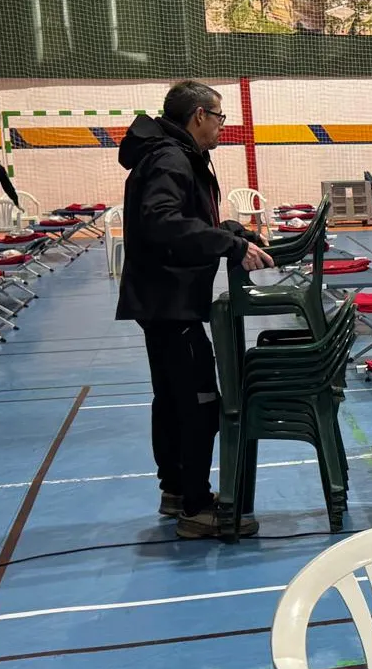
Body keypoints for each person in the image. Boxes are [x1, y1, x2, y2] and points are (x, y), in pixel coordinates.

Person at [116, 80, 274, 540]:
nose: (223, 126)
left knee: (172, 400)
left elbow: (183, 219)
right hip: (170, 302)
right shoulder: (171, 157)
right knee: (198, 404)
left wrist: (230, 231)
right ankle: (196, 506)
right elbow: (162, 222)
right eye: (220, 117)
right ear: (199, 115)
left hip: (164, 300)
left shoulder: (172, 153)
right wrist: (229, 245)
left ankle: (175, 491)